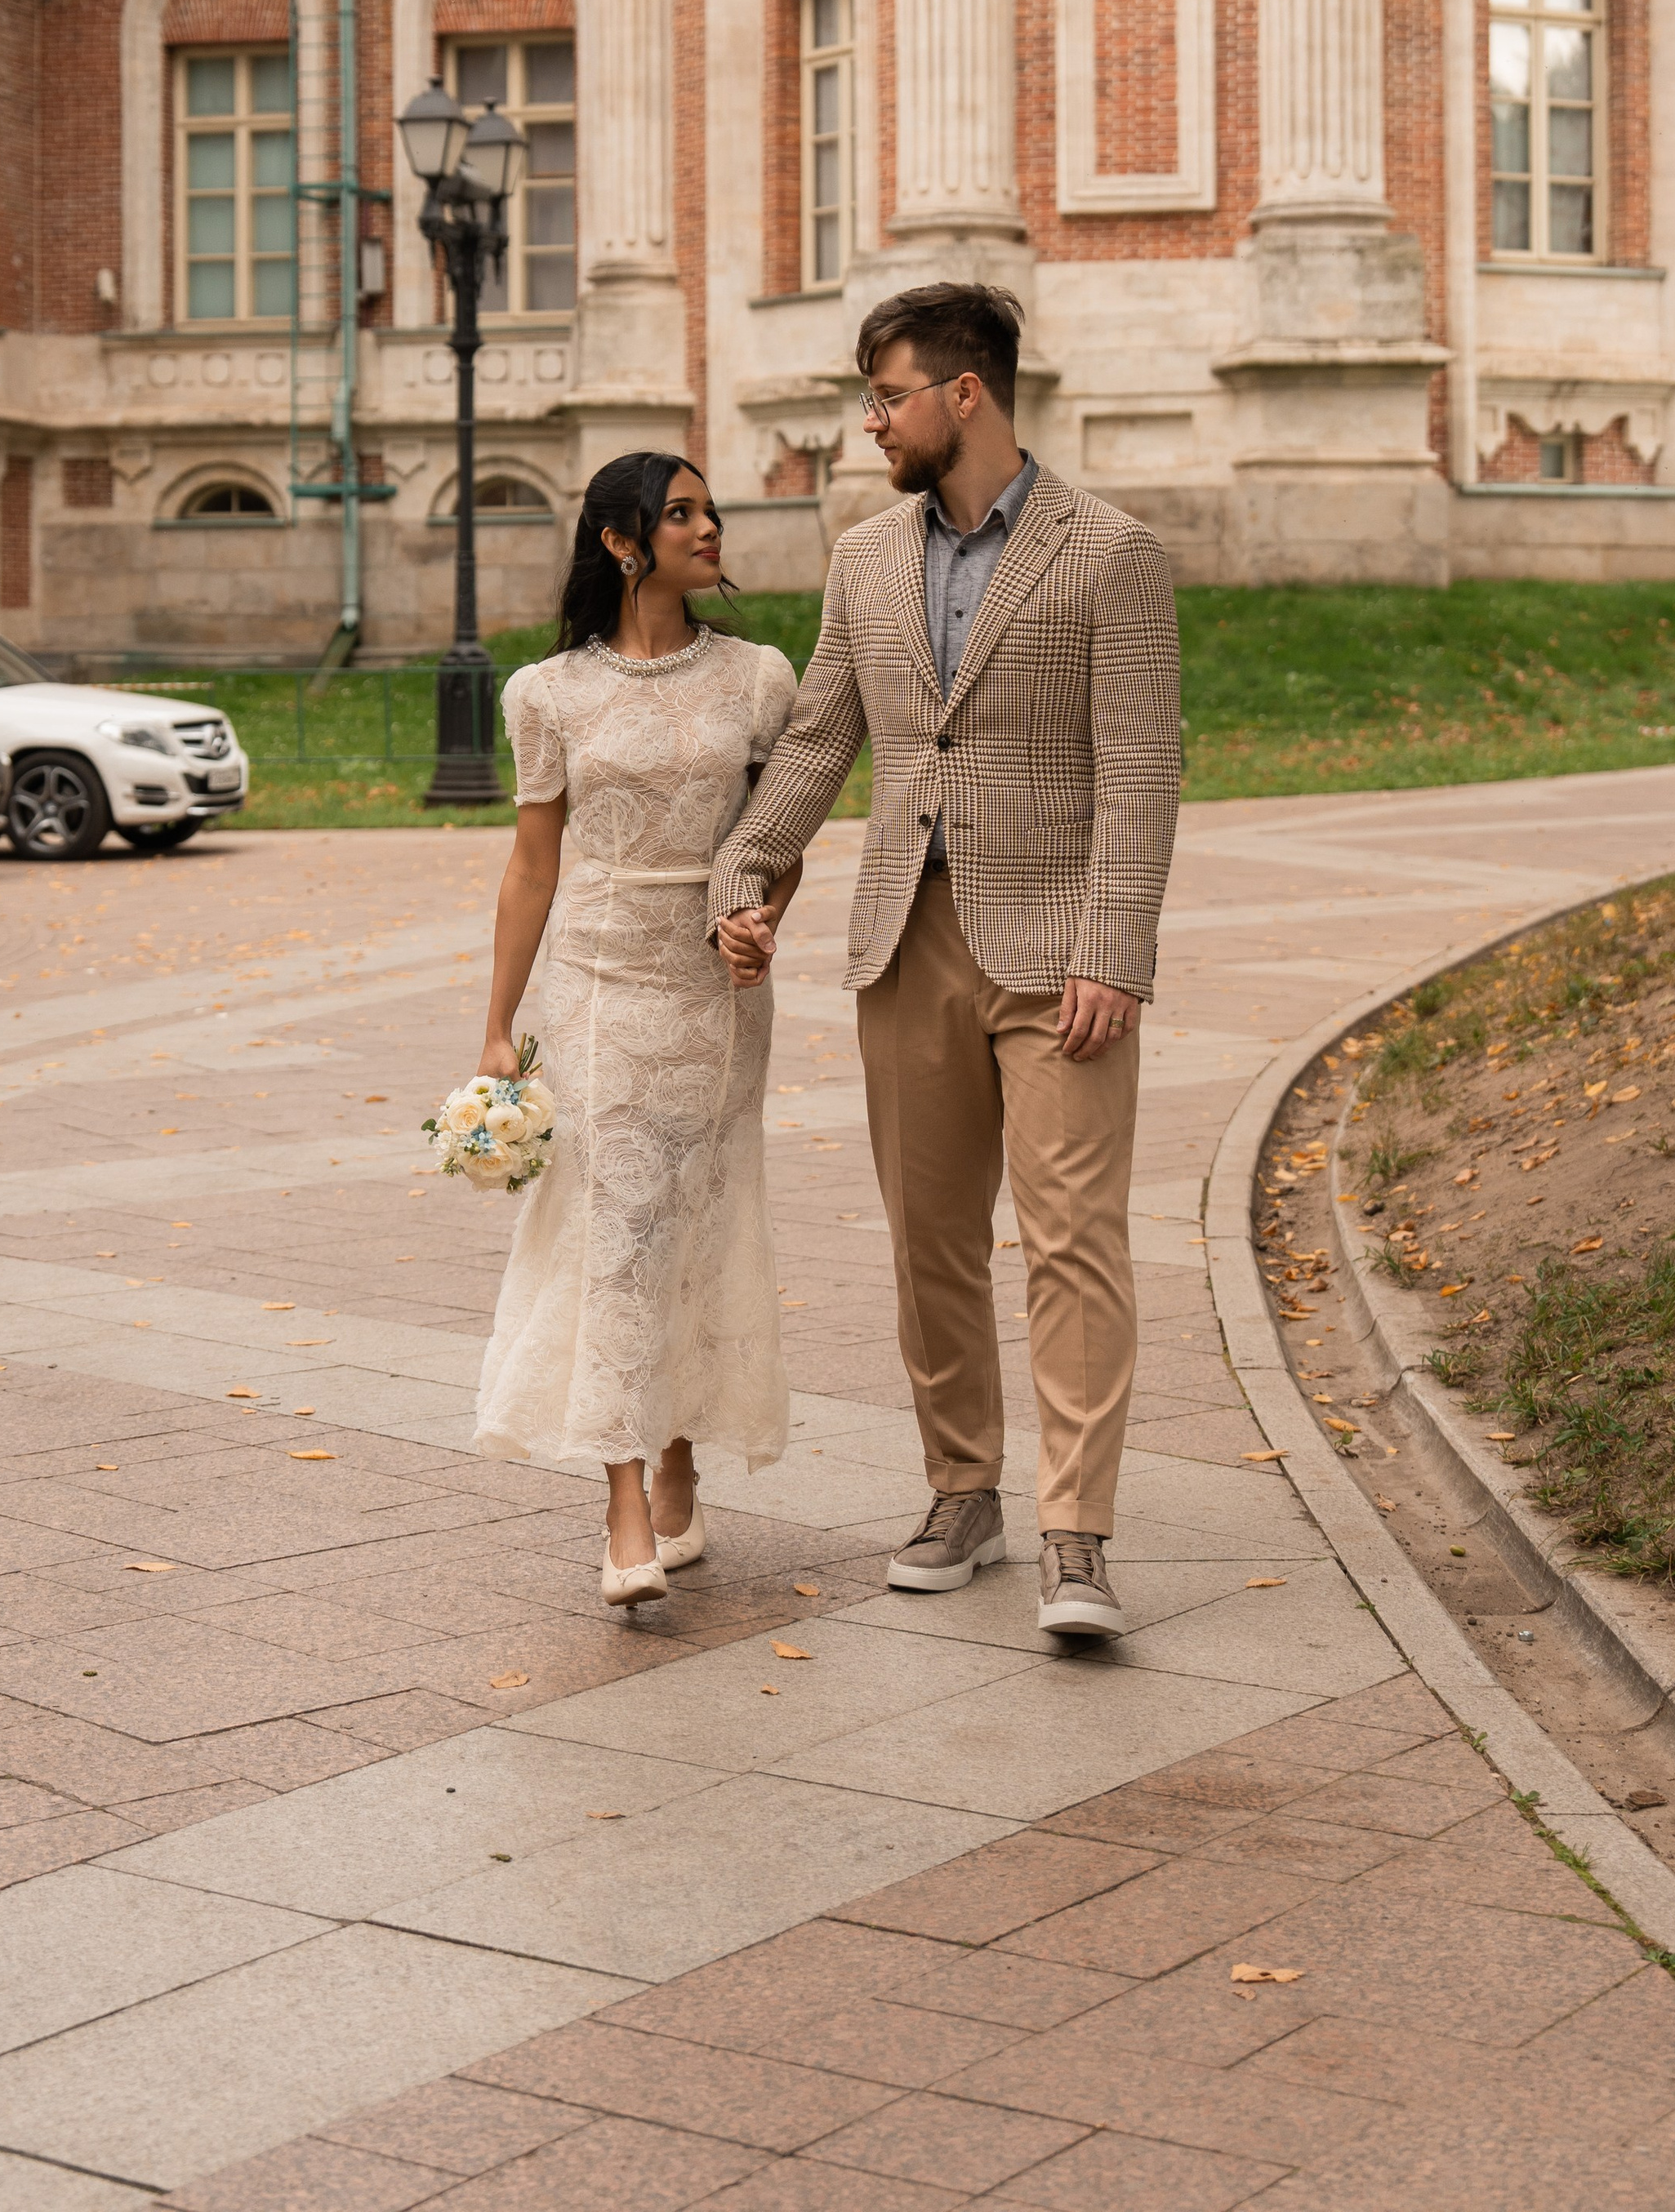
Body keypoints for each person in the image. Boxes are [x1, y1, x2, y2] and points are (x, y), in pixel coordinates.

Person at [710, 284, 1180, 1639]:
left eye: (887, 396)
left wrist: (1116, 948)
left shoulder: (1111, 553)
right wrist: (747, 872)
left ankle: (1076, 1533)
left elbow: (1142, 769)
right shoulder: (865, 559)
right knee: (930, 1245)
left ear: (962, 394)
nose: (871, 424)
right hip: (905, 948)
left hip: (1058, 959)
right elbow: (816, 740)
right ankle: (961, 1489)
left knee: (1074, 1242)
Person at [474, 452, 800, 1608]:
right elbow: (530, 864)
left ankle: (681, 1465)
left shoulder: (760, 678)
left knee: (698, 1221)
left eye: (709, 510)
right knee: (617, 1228)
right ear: (622, 542)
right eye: (681, 513)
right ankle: (622, 1507)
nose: (708, 528)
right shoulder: (546, 694)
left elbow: (777, 835)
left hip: (715, 994)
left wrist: (758, 915)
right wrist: (499, 1026)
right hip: (598, 985)